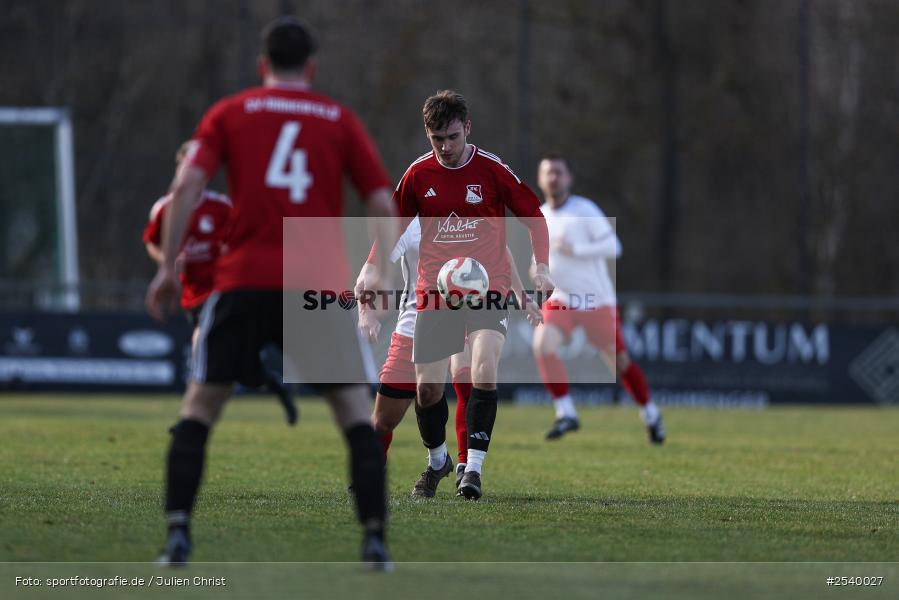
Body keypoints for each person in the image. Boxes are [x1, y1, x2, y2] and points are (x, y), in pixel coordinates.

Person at [145, 17, 397, 568]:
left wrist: (167, 267)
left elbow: (186, 186)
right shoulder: (338, 119)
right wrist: (380, 272)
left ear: (262, 65)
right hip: (316, 286)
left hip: (243, 281)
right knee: (354, 413)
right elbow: (381, 200)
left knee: (200, 408)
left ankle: (178, 535)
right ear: (312, 67)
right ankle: (374, 541)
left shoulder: (231, 112)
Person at [381, 90, 551, 501]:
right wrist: (370, 269)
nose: (445, 147)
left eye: (452, 137)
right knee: (427, 391)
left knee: (483, 369)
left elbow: (534, 217)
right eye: (437, 138)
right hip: (435, 295)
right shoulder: (418, 175)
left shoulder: (492, 170)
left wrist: (541, 266)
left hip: (488, 288)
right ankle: (438, 459)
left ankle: (472, 469)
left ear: (467, 128)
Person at [356, 222, 540, 490]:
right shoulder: (407, 222)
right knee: (385, 419)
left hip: (468, 313)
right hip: (417, 318)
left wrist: (522, 297)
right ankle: (434, 462)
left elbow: (501, 251)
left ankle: (468, 468)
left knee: (468, 380)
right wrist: (366, 312)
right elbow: (371, 268)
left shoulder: (467, 214)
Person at [144, 142, 297, 426]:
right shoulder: (165, 208)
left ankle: (190, 421)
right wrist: (167, 260)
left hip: (223, 292)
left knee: (202, 347)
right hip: (192, 293)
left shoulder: (221, 206)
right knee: (242, 369)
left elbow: (243, 237)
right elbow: (152, 243)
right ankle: (272, 383)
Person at [531, 154, 665, 444]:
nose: (553, 178)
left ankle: (651, 414)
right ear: (540, 179)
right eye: (548, 173)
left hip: (595, 300)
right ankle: (566, 412)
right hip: (562, 299)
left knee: (619, 362)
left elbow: (614, 247)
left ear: (569, 178)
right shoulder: (539, 216)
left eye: (558, 172)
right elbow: (536, 263)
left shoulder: (584, 209)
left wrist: (576, 249)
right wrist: (537, 273)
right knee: (542, 344)